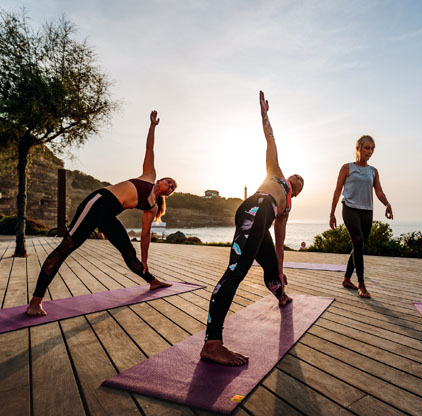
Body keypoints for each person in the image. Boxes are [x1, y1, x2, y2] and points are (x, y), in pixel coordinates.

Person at [26, 111, 177, 317]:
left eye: (173, 188)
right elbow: (149, 148)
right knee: (66, 248)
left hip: (108, 217)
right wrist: (152, 126)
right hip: (98, 203)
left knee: (128, 252)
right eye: (169, 182)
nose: (170, 186)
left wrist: (145, 259)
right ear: (161, 181)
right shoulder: (149, 176)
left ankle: (152, 281)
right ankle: (36, 301)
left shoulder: (151, 207)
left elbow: (145, 234)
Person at [200, 91, 304, 366]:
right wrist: (264, 114)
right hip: (254, 209)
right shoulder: (276, 175)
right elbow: (270, 140)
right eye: (296, 175)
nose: (297, 178)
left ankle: (281, 295)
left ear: (298, 192)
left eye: (300, 181)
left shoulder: (286, 208)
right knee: (235, 273)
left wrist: (280, 272)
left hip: (262, 218)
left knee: (271, 267)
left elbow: (279, 244)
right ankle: (212, 342)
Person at [329, 135, 393, 298]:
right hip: (350, 208)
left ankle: (346, 279)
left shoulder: (373, 171)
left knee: (359, 245)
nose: (370, 151)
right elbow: (337, 191)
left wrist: (387, 203)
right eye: (367, 148)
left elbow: (378, 191)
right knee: (358, 241)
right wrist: (332, 213)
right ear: (358, 148)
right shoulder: (347, 168)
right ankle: (362, 284)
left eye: (372, 149)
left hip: (367, 211)